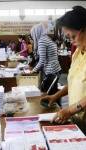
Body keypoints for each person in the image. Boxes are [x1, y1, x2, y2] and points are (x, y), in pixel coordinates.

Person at [40, 6, 86, 134]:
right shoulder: (77, 52)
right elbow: (73, 81)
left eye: (73, 36)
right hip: (78, 118)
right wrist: (56, 96)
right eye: (68, 38)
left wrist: (69, 111)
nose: (72, 42)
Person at [31, 23, 61, 95]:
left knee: (49, 94)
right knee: (53, 92)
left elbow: (42, 61)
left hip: (51, 71)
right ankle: (57, 105)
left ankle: (55, 106)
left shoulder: (42, 41)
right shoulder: (47, 38)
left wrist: (33, 70)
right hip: (56, 69)